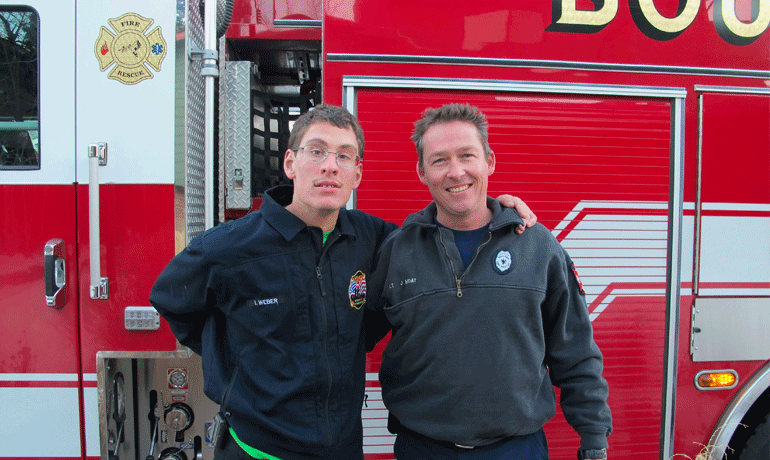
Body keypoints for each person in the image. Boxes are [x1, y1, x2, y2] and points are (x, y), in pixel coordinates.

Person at [149, 104, 537, 460]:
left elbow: (440, 236)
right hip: (258, 451)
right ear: (290, 163)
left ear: (357, 173)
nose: (330, 166)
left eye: (344, 155)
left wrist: (493, 210)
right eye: (316, 151)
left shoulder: (376, 240)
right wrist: (232, 364)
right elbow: (172, 301)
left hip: (343, 450)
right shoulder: (228, 248)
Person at [368, 103, 612, 460]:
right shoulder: (396, 251)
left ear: (489, 162)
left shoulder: (537, 246)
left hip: (517, 449)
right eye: (439, 160)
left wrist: (593, 437)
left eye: (467, 155)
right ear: (422, 171)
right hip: (421, 449)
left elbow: (574, 351)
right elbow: (350, 338)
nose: (456, 172)